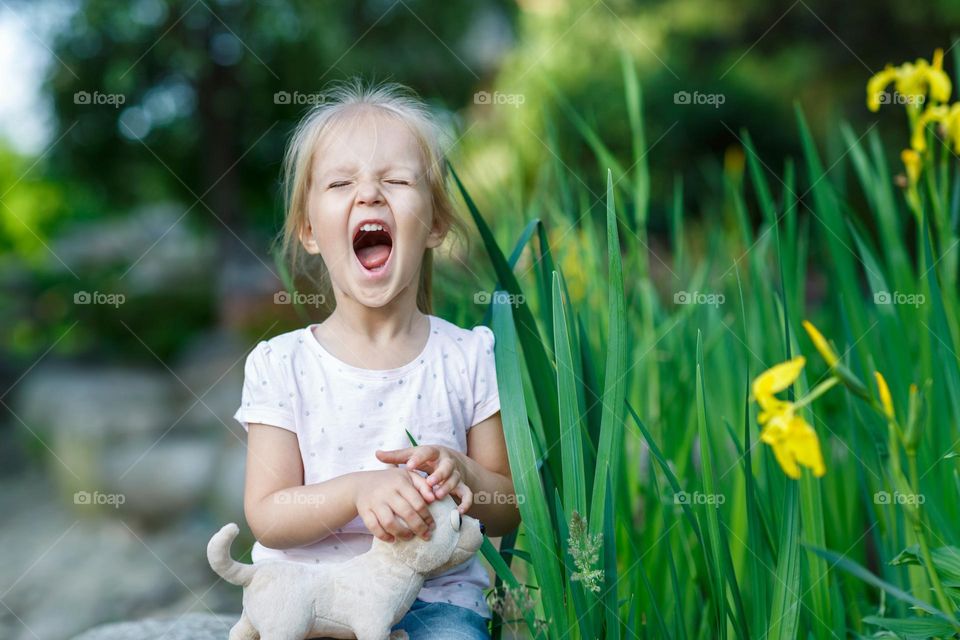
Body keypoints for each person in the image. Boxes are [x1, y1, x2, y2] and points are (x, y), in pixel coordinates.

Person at [233, 78, 520, 639]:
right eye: (341, 182)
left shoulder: (468, 356)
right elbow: (267, 513)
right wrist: (357, 491)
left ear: (435, 224)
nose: (369, 194)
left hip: (437, 601)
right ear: (310, 230)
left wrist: (465, 474)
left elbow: (507, 506)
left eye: (395, 180)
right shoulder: (280, 364)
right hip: (308, 602)